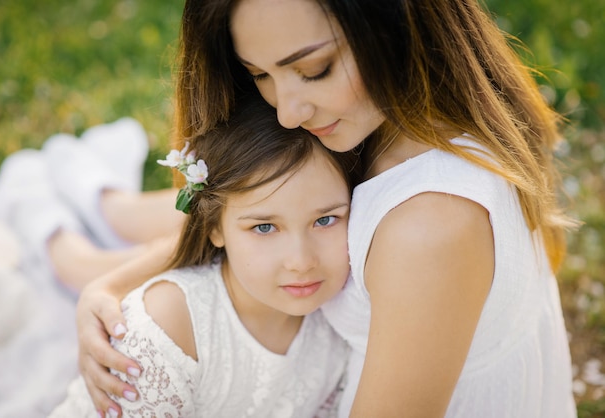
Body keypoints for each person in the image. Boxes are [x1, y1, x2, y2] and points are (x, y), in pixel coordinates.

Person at [76, 0, 578, 417]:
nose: (287, 111)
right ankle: (95, 218)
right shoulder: (393, 122)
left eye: (314, 70)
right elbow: (246, 209)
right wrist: (110, 285)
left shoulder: (429, 226)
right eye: (259, 75)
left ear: (397, 25)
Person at [50, 96, 353, 417]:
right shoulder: (169, 328)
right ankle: (59, 221)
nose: (301, 261)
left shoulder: (345, 313)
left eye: (324, 220)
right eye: (264, 227)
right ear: (215, 228)